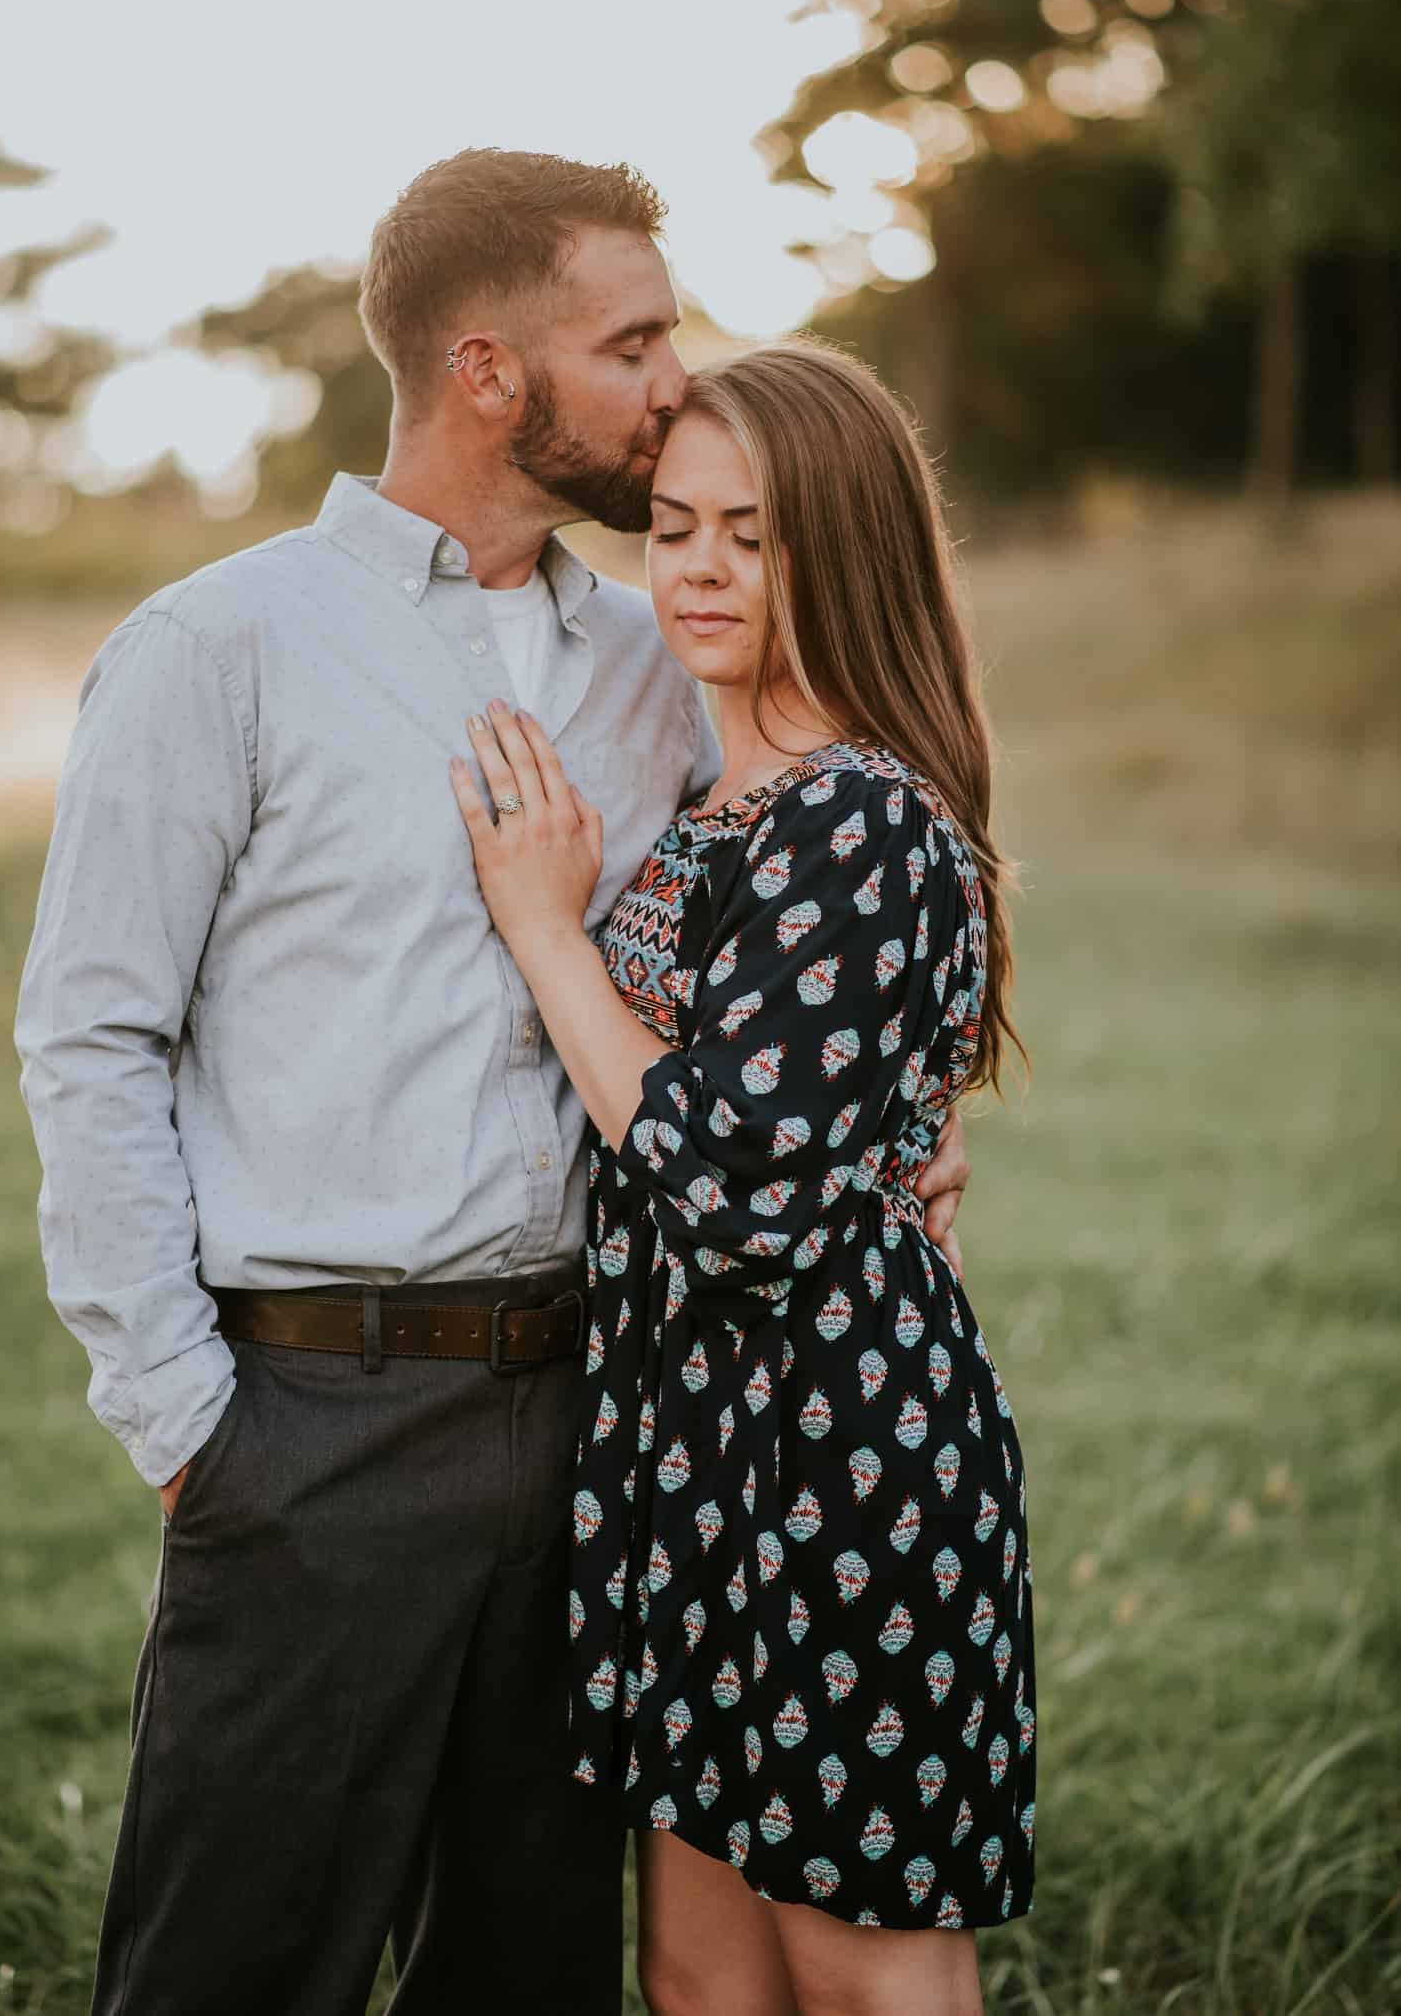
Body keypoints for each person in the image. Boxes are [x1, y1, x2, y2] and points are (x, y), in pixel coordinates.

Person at [14, 150, 972, 2016]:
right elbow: (92, 1034)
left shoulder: (656, 656)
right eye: (631, 343)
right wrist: (188, 1419)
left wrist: (909, 1136)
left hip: (613, 1421)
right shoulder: (221, 649)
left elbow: (813, 919)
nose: (672, 380)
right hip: (311, 1417)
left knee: (531, 1970)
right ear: (488, 372)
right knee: (236, 1966)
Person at [452, 337, 1031, 2016]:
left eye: (753, 534)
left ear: (839, 546)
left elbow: (721, 1181)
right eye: (676, 526)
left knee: (862, 1975)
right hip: (686, 1443)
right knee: (704, 1979)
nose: (698, 568)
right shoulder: (725, 800)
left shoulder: (857, 815)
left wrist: (546, 928)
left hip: (840, 1457)